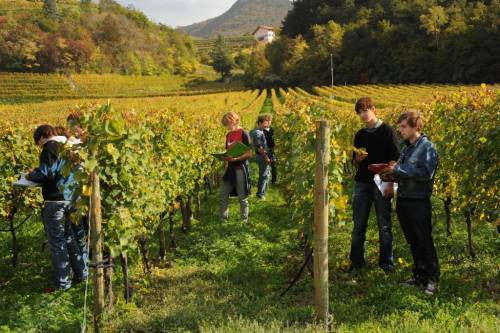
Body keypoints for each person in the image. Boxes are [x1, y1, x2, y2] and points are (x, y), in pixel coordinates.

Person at [383, 109, 440, 295]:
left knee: (424, 240)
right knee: (413, 241)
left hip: (418, 201)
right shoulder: (407, 148)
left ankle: (432, 279)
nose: (400, 130)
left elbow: (425, 174)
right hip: (404, 200)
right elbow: (402, 173)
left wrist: (398, 171)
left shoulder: (427, 147)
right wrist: (390, 173)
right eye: (399, 126)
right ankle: (419, 275)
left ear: (416, 126)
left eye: (404, 126)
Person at [27, 125, 87, 292]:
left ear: (43, 136)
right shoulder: (68, 144)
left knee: (57, 242)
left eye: (39, 142)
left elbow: (47, 173)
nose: (40, 146)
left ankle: (63, 283)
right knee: (70, 238)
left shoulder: (50, 147)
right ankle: (82, 274)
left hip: (55, 201)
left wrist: (30, 175)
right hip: (71, 198)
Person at [349, 97, 400, 274]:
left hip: (382, 181)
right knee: (358, 224)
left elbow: (395, 157)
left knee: (384, 224)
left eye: (365, 110)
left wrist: (388, 173)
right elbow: (354, 163)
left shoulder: (387, 131)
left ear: (373, 109)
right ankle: (356, 262)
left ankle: (386, 264)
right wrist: (358, 159)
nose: (363, 115)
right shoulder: (360, 135)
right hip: (362, 182)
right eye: (359, 112)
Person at [219, 112, 253, 223]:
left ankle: (244, 220)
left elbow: (249, 154)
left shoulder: (244, 133)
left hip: (240, 169)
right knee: (223, 195)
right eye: (226, 125)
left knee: (242, 196)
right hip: (230, 170)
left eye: (228, 124)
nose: (227, 127)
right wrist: (225, 162)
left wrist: (236, 159)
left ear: (235, 121)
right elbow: (228, 152)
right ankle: (223, 220)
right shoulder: (228, 135)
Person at [250, 115, 272, 199]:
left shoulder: (258, 131)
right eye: (266, 122)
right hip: (261, 156)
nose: (268, 124)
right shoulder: (257, 133)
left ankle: (262, 192)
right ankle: (260, 194)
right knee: (264, 175)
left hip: (261, 155)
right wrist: (266, 157)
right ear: (260, 123)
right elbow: (259, 147)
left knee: (265, 174)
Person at [263, 114, 277, 185]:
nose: (268, 122)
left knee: (273, 165)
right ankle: (265, 181)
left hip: (271, 150)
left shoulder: (272, 129)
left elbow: (274, 139)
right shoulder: (261, 131)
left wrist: (274, 146)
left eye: (269, 121)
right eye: (266, 120)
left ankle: (274, 181)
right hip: (264, 150)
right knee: (265, 166)